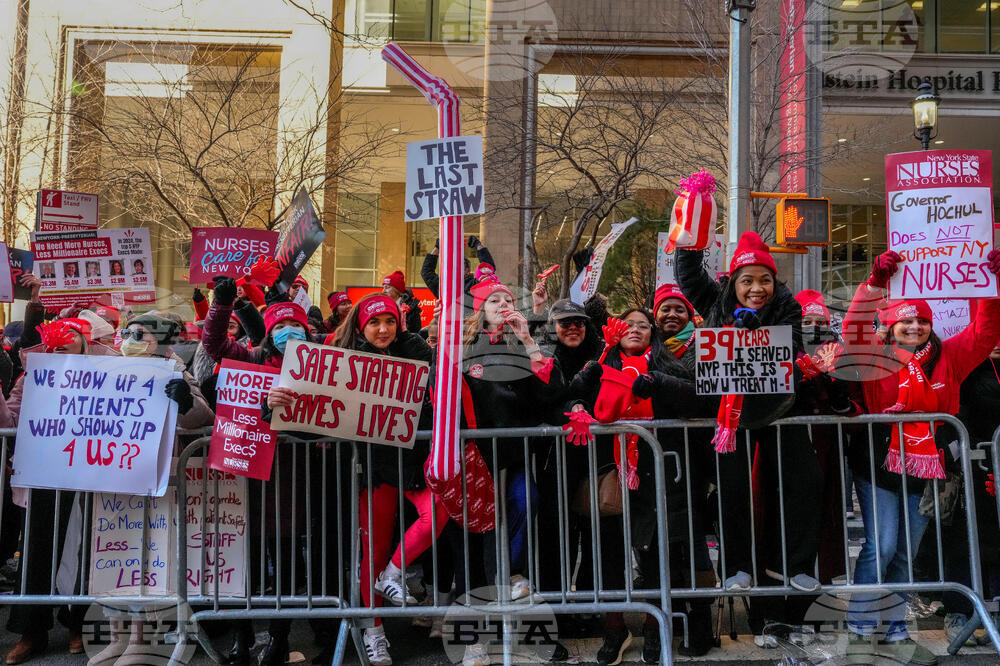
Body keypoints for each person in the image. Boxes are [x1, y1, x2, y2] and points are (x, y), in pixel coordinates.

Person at [838, 249, 1000, 664]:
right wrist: (873, 284)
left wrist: (992, 287)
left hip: (924, 469)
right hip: (878, 465)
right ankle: (859, 632)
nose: (914, 326)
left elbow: (985, 332)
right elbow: (853, 328)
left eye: (921, 320)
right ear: (891, 326)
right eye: (905, 320)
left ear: (931, 325)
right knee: (883, 546)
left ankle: (894, 631)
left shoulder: (952, 356)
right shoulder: (874, 354)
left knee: (907, 553)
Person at [676, 231, 823, 643]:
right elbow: (688, 277)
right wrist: (690, 237)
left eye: (764, 280)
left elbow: (790, 346)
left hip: (777, 412)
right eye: (747, 280)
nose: (756, 288)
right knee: (732, 489)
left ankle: (797, 567)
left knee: (805, 482)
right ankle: (737, 567)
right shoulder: (716, 300)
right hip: (730, 418)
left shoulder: (788, 306)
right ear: (733, 282)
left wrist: (757, 328)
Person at [284, 294, 443, 666]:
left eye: (389, 321)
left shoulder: (416, 350)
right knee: (371, 552)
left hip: (414, 467)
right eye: (375, 323)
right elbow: (321, 418)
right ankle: (374, 633)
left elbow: (440, 390)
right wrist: (277, 407)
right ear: (361, 326)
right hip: (372, 471)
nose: (383, 329)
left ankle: (393, 572)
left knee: (437, 512)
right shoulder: (343, 361)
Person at [201, 281, 318, 665]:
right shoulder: (251, 358)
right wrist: (220, 304)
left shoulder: (319, 368)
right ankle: (242, 636)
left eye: (296, 327)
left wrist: (279, 413)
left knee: (283, 555)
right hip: (245, 472)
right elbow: (214, 345)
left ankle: (279, 639)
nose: (289, 333)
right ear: (269, 333)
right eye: (282, 327)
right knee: (244, 557)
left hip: (288, 478)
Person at [460, 278, 565, 665]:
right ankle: (475, 637)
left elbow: (551, 392)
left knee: (526, 502)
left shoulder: (522, 344)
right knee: (478, 546)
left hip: (515, 455)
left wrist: (530, 339)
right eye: (494, 300)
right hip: (475, 459)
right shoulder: (464, 347)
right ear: (480, 308)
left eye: (507, 299)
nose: (502, 304)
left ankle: (516, 577)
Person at [420, 235, 496, 299]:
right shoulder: (445, 286)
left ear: (467, 270)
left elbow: (488, 269)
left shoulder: (474, 285)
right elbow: (426, 272)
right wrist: (437, 248)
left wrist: (478, 246)